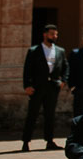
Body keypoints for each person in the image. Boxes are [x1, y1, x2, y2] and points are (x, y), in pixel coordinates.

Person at [22, 23, 68, 151]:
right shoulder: (34, 50)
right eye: (52, 33)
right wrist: (27, 86)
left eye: (56, 34)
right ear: (45, 34)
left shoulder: (60, 51)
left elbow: (66, 67)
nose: (55, 36)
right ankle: (26, 141)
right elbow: (27, 70)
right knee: (32, 114)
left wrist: (63, 81)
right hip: (37, 87)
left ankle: (49, 141)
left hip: (53, 87)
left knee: (50, 115)